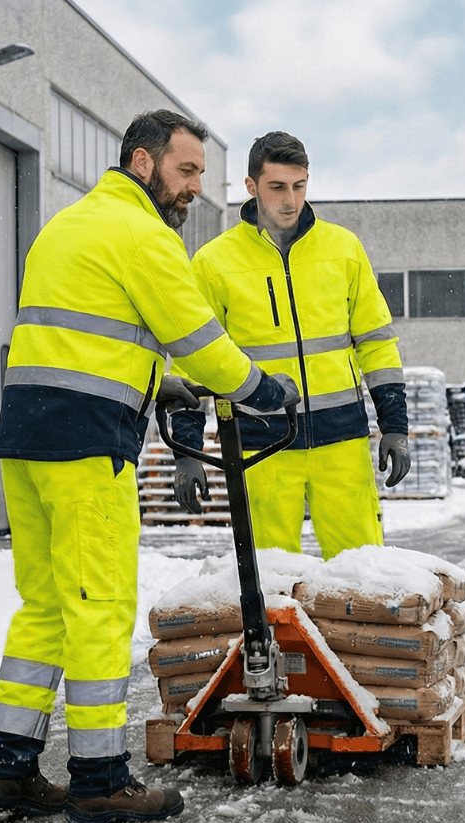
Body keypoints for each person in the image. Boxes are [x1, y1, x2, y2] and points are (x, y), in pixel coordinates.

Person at [0, 110, 298, 823]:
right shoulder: (142, 233)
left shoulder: (69, 224)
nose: (193, 191)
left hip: (27, 440)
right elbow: (199, 338)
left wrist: (161, 385)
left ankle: (8, 768)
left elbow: (92, 335)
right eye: (185, 173)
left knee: (48, 606)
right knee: (100, 604)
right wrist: (262, 389)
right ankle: (99, 775)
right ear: (144, 163)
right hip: (86, 446)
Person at [169, 131, 409, 560]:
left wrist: (395, 426)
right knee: (272, 579)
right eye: (277, 187)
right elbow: (194, 362)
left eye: (299, 186)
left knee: (363, 573)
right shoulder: (214, 262)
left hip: (341, 441)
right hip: (263, 446)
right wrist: (188, 452)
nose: (290, 200)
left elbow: (375, 342)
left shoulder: (343, 249)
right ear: (251, 186)